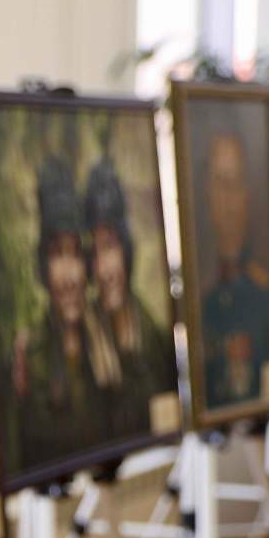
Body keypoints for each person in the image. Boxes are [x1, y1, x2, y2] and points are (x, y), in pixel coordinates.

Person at [10, 157, 104, 472]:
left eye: (76, 254)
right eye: (57, 255)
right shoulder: (31, 353)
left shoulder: (104, 343)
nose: (70, 276)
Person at [82, 157, 173, 435]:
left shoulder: (155, 339)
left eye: (109, 247)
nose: (104, 270)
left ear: (126, 250)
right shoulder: (83, 338)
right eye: (94, 253)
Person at [196, 129, 269, 409]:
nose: (229, 199)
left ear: (247, 194)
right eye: (221, 183)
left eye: (236, 184)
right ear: (208, 193)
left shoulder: (268, 292)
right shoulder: (199, 295)